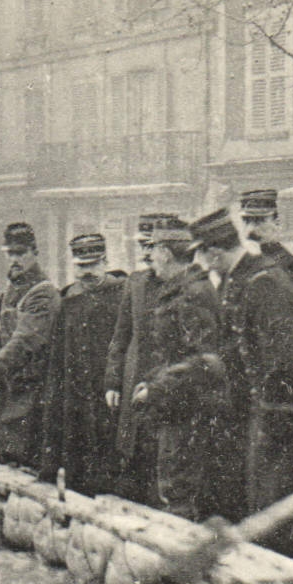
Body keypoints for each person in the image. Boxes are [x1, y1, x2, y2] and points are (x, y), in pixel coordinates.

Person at [189, 207, 293, 558]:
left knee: (283, 497)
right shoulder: (240, 280)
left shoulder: (265, 283)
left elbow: (283, 363)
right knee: (267, 494)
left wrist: (271, 425)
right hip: (271, 404)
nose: (208, 267)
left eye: (207, 258)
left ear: (216, 251)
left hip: (292, 409)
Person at [131, 217, 228, 521]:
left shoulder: (192, 292)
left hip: (190, 411)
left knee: (180, 489)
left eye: (154, 249)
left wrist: (157, 387)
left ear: (167, 253)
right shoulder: (180, 289)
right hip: (177, 406)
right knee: (172, 485)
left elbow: (205, 359)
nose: (150, 257)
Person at [0, 222, 59, 467]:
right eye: (10, 254)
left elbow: (24, 341)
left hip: (34, 387)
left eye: (21, 253)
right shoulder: (16, 286)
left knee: (15, 446)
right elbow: (5, 305)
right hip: (13, 384)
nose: (15, 260)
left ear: (34, 253)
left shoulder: (43, 293)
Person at [39, 233, 122, 495]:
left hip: (111, 394)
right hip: (76, 398)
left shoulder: (121, 296)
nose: (86, 273)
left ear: (105, 262)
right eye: (80, 266)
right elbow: (57, 362)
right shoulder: (67, 301)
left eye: (92, 265)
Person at [105, 214, 173, 503]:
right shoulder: (134, 283)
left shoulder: (177, 284)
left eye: (150, 245)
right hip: (134, 377)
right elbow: (120, 337)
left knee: (162, 450)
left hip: (165, 380)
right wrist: (112, 381)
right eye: (141, 246)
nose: (146, 253)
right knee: (131, 449)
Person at [239, 188, 293, 299]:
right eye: (246, 221)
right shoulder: (240, 263)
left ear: (277, 222)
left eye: (258, 221)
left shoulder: (289, 264)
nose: (250, 229)